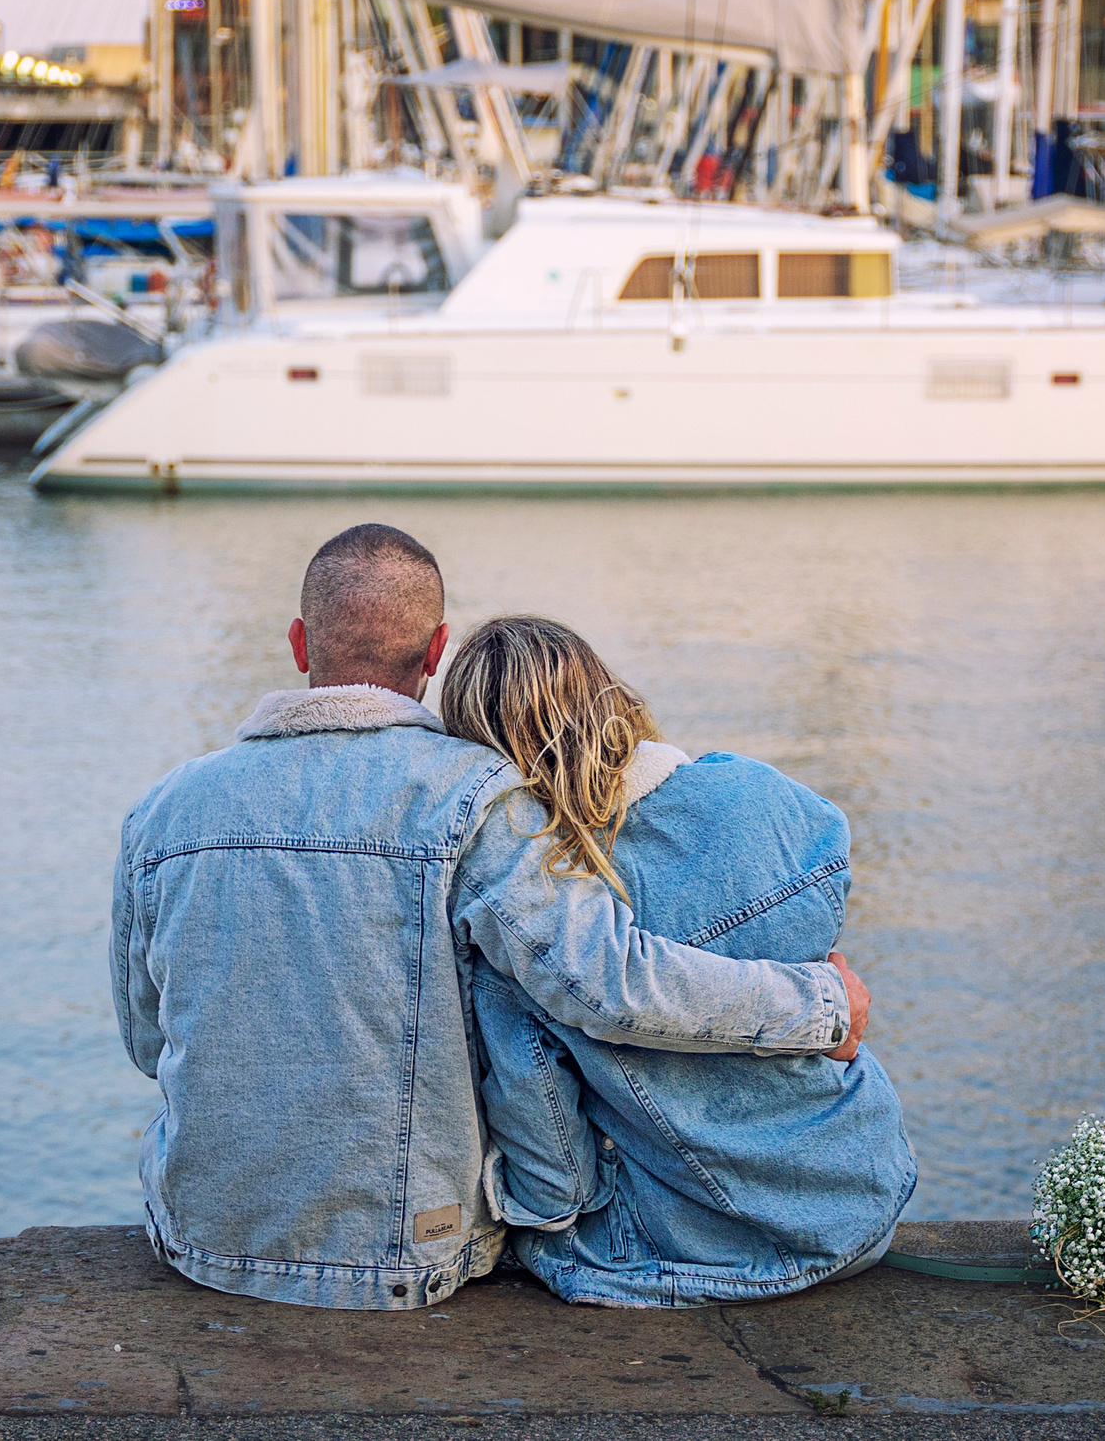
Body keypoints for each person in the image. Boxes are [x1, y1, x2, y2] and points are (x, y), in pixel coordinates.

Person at [111, 525, 870, 1312]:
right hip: (408, 1254)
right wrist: (820, 1004)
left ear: (300, 641)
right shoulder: (476, 799)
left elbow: (148, 1040)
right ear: (436, 650)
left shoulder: (160, 811)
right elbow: (607, 985)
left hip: (202, 1238)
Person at [443, 614, 917, 1307]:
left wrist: (537, 1224)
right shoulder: (761, 793)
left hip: (707, 1245)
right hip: (866, 1195)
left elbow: (553, 1158)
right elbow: (829, 878)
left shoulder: (555, 910)